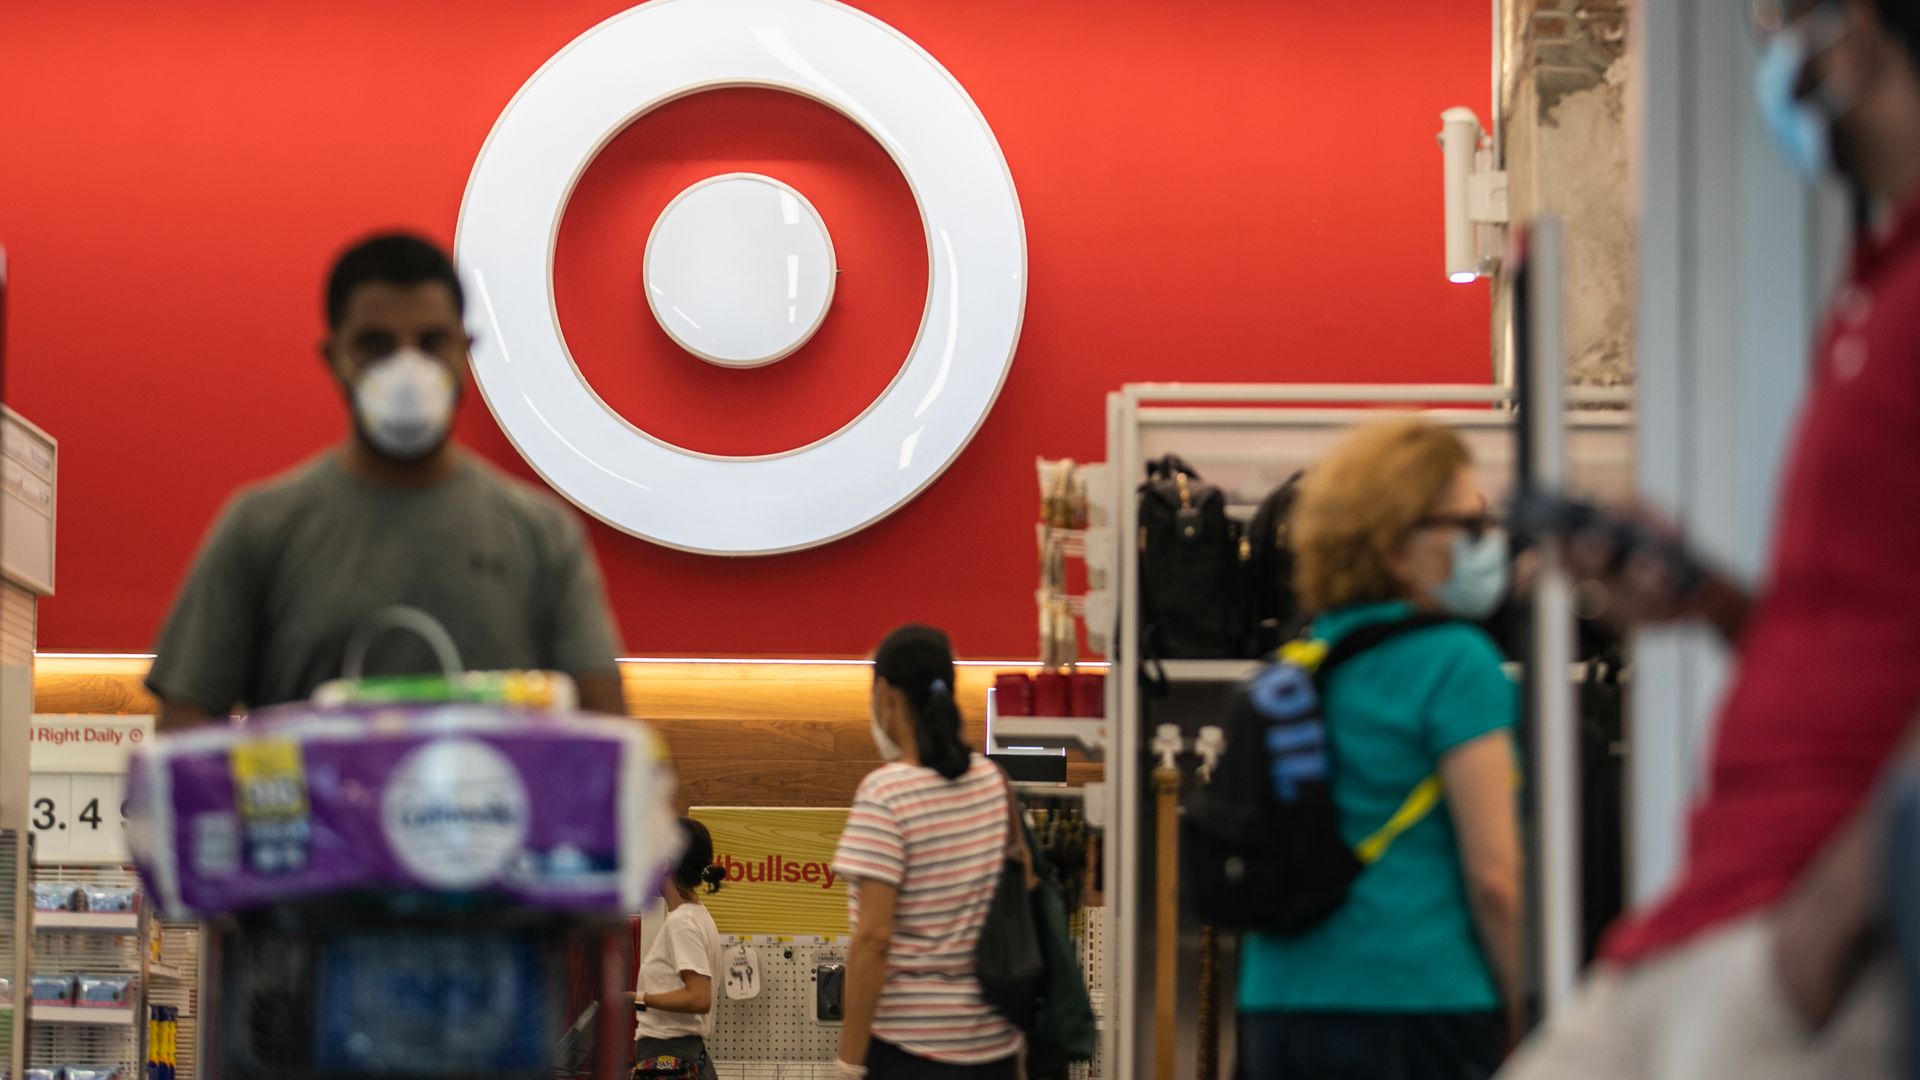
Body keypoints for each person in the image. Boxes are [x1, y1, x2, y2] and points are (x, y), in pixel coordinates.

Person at [1499, 1, 1920, 1076]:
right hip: (1704, 914)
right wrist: (1712, 606)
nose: (1773, 52)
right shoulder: (1874, 290)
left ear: (1859, 30)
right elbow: (1853, 628)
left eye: (1786, 23)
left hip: (1798, 933)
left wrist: (1837, 913)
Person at [145, 232, 625, 725]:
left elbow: (604, 726)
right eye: (376, 345)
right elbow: (184, 729)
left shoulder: (542, 534)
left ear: (465, 352)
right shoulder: (260, 528)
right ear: (333, 357)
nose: (407, 369)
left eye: (432, 342)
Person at [1237, 418, 1523, 1080]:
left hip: (1277, 1002)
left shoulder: (1293, 668)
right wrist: (1526, 1006)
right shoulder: (1456, 661)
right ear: (1397, 546)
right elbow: (1496, 877)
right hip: (1417, 999)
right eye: (1467, 524)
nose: (1484, 543)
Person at [831, 625, 1023, 1079]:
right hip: (995, 1043)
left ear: (885, 694)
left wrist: (848, 1063)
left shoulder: (886, 793)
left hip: (912, 1051)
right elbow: (1023, 892)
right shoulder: (994, 782)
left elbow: (874, 938)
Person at [632, 818, 727, 1080]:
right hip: (682, 1058)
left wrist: (637, 998)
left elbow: (699, 998)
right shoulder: (696, 916)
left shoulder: (682, 922)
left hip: (669, 1059)